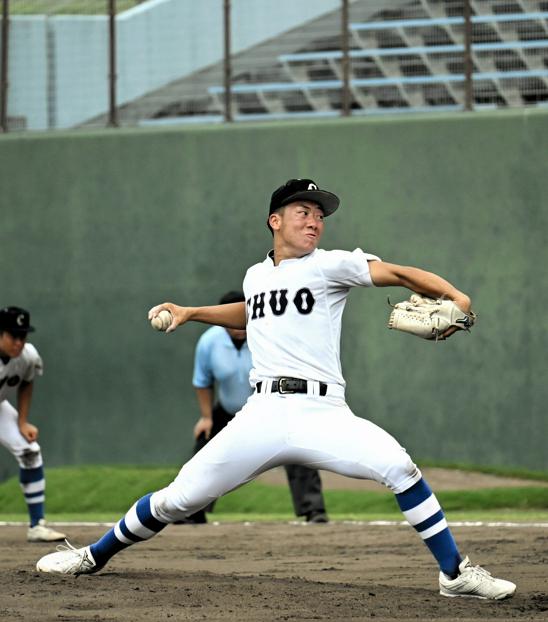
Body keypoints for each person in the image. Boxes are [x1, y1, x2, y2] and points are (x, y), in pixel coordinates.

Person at [36, 178, 516, 600]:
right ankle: (93, 556)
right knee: (178, 499)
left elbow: (398, 273)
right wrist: (190, 312)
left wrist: (454, 296)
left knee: (399, 466)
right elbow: (251, 311)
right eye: (303, 212)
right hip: (262, 413)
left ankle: (454, 574)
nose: (314, 221)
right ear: (275, 220)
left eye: (319, 214)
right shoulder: (256, 275)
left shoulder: (331, 265)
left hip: (323, 411)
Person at [180, 289, 328, 525]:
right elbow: (202, 381)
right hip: (228, 410)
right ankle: (190, 512)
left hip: (271, 408)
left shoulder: (269, 338)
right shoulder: (208, 342)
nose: (238, 324)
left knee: (298, 446)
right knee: (204, 450)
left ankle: (314, 510)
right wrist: (206, 417)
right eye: (232, 317)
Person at [0, 306, 65, 543]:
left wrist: (22, 421)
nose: (19, 342)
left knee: (30, 452)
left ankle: (37, 526)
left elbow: (27, 382)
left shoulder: (27, 356)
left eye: (23, 336)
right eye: (12, 335)